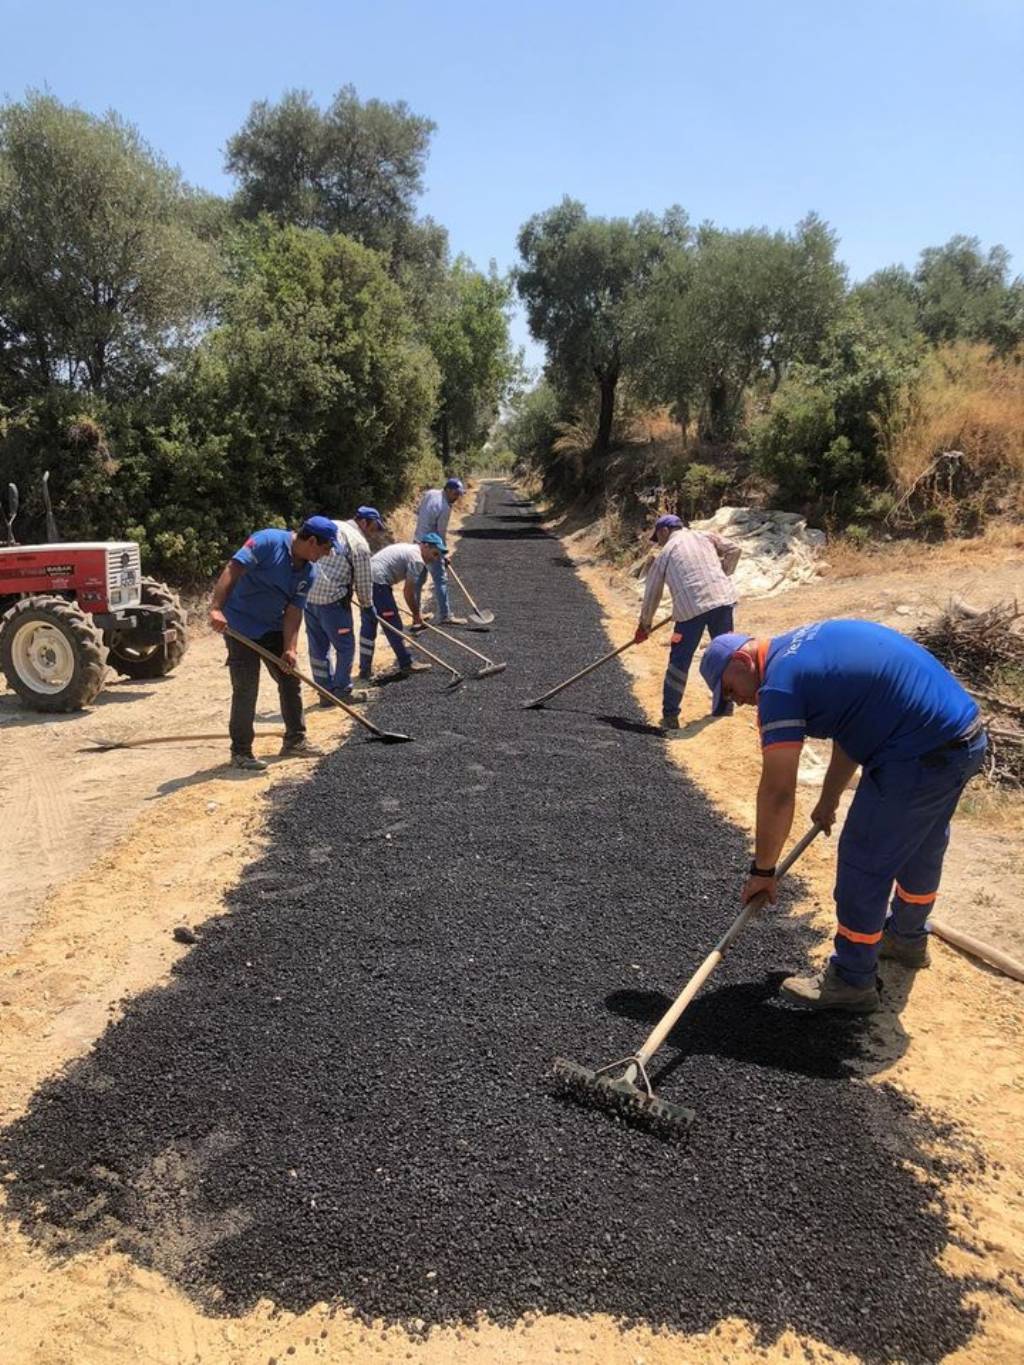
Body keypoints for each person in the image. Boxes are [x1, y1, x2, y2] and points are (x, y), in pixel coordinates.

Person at [699, 621, 987, 1012]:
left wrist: (763, 871)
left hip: (918, 754)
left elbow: (778, 791)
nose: (739, 702)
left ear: (741, 660)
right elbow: (852, 727)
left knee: (863, 860)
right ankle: (906, 938)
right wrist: (829, 799)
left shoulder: (779, 687)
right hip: (963, 738)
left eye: (731, 690)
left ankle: (852, 979)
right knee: (922, 844)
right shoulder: (805, 647)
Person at [209, 518, 336, 771]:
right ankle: (241, 752)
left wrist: (289, 648)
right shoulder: (267, 541)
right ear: (311, 541)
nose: (327, 554)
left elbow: (293, 611)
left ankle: (295, 741)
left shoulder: (307, 572)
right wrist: (216, 608)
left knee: (290, 679)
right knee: (246, 687)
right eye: (325, 548)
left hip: (272, 627)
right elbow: (233, 568)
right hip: (239, 626)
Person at [633, 513, 741, 735]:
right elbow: (734, 549)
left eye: (658, 536)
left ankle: (670, 715)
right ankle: (724, 706)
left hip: (690, 611)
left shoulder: (666, 553)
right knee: (726, 656)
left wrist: (644, 625)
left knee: (680, 662)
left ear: (664, 530)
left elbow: (652, 592)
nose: (658, 541)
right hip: (723, 602)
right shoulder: (705, 536)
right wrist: (723, 572)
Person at [304, 506, 384, 706]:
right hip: (333, 602)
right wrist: (367, 606)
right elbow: (364, 581)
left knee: (318, 648)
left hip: (308, 598)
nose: (373, 533)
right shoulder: (359, 544)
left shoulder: (335, 526)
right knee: (345, 646)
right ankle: (342, 690)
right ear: (364, 522)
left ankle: (324, 692)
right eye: (373, 527)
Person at [358, 533, 447, 680]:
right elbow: (408, 592)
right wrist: (416, 615)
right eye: (435, 553)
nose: (435, 558)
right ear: (425, 546)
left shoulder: (411, 550)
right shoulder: (417, 559)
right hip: (378, 582)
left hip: (366, 580)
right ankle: (406, 663)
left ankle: (365, 670)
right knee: (393, 624)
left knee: (369, 626)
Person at [414, 477, 465, 625]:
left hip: (417, 542)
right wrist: (443, 554)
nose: (457, 497)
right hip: (431, 547)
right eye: (455, 494)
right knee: (440, 580)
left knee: (418, 581)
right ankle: (445, 615)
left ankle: (416, 615)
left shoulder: (430, 493)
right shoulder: (444, 507)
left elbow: (418, 512)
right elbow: (440, 533)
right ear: (448, 490)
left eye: (459, 494)